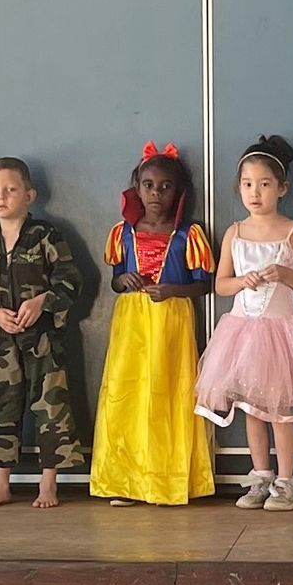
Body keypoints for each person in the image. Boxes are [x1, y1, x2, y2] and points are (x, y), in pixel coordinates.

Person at [195, 136, 293, 512]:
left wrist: (283, 272)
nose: (255, 192)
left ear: (281, 188)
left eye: (265, 184)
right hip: (242, 334)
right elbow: (220, 285)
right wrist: (242, 282)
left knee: (281, 412)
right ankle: (260, 476)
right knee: (251, 411)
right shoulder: (235, 232)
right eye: (248, 184)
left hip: (282, 332)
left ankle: (286, 482)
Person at [90, 143, 217, 506]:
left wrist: (174, 290)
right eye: (148, 185)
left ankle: (164, 482)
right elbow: (114, 279)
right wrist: (124, 281)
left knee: (168, 394)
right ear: (136, 187)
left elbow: (203, 284)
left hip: (171, 319)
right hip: (131, 323)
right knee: (127, 395)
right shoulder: (123, 233)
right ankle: (128, 481)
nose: (156, 193)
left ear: (179, 192)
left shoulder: (188, 235)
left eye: (165, 186)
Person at [0, 157, 84, 509]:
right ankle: (1, 483)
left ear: (29, 194)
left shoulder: (46, 236)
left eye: (11, 189)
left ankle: (49, 484)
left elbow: (70, 279)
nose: (2, 197)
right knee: (0, 411)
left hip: (44, 342)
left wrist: (43, 301)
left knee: (51, 410)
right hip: (1, 344)